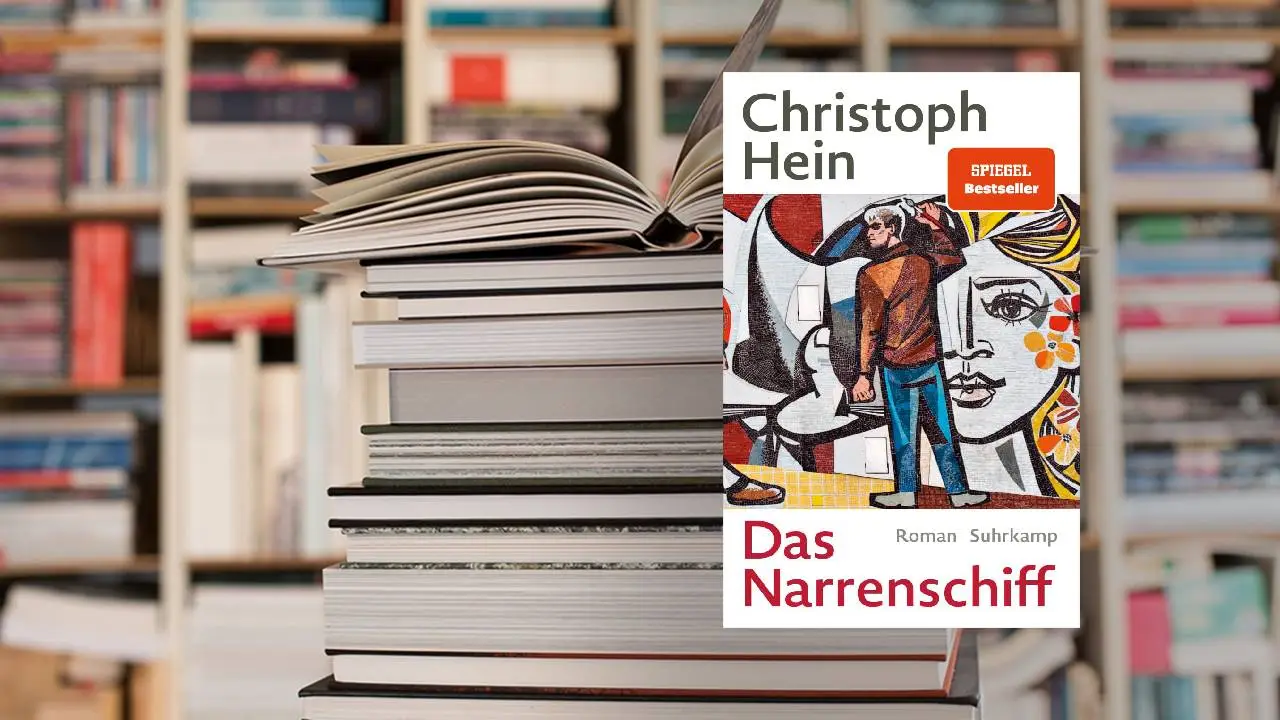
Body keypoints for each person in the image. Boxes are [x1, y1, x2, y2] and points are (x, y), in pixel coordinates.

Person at [846, 201, 989, 508]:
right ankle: (958, 494)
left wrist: (863, 375)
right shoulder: (924, 261)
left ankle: (907, 494)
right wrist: (933, 223)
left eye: (875, 227)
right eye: (868, 227)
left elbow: (869, 329)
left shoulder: (871, 273)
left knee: (904, 434)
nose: (868, 233)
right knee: (941, 431)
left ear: (892, 228)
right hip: (927, 361)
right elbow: (953, 256)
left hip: (896, 366)